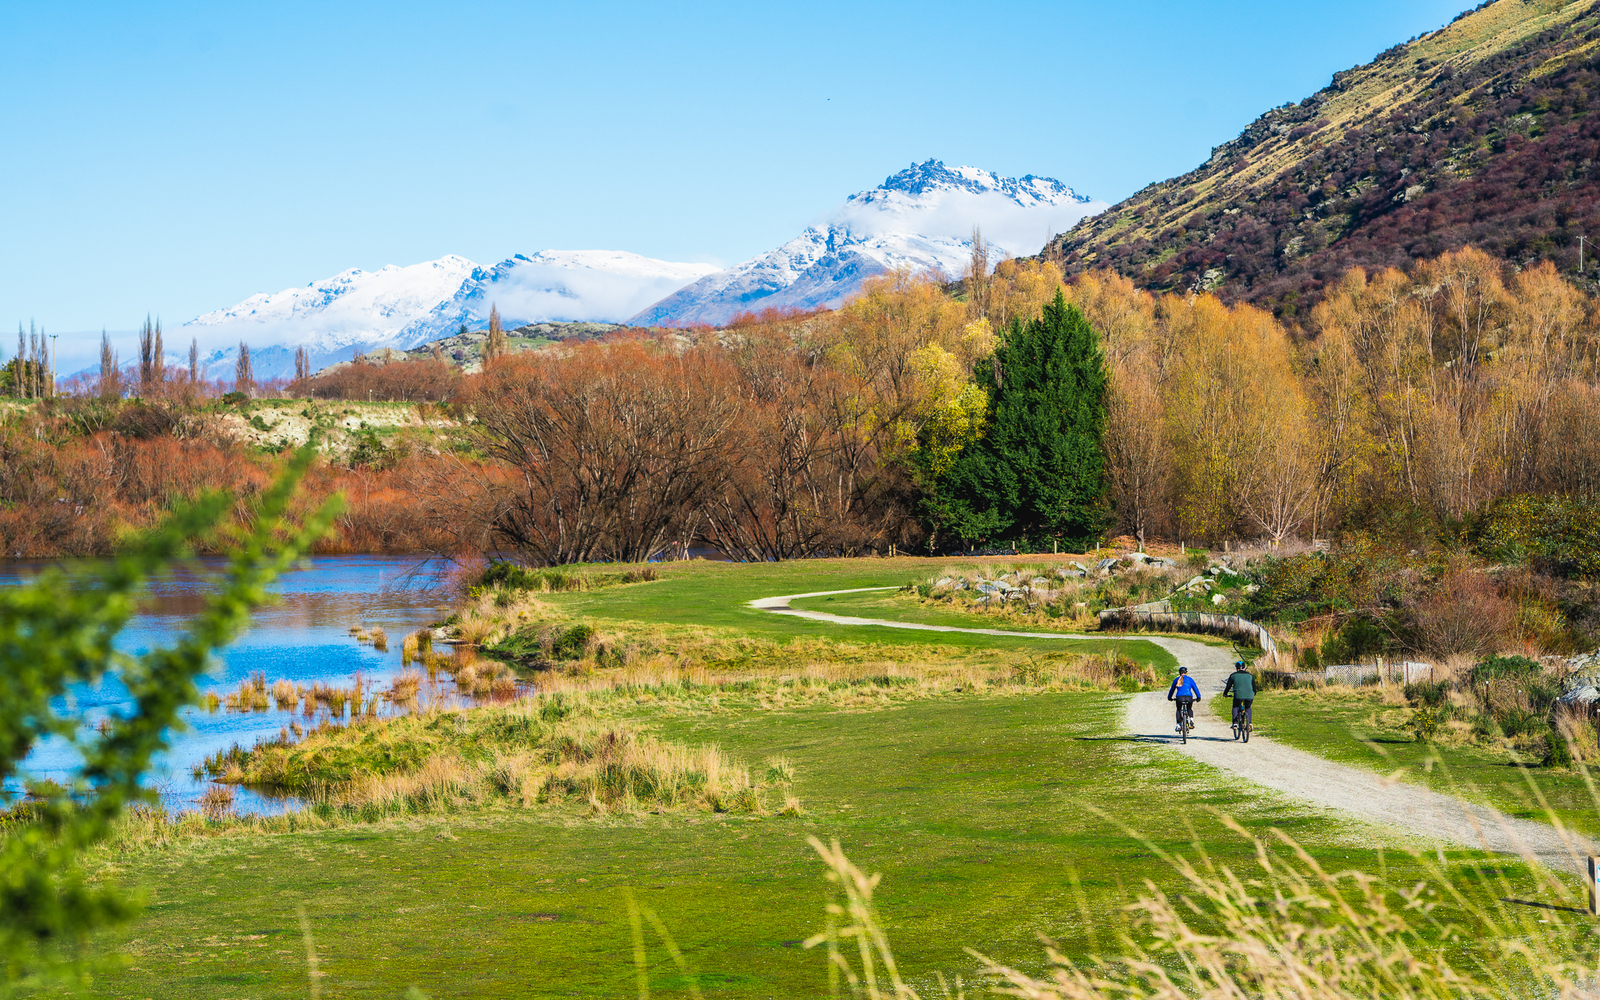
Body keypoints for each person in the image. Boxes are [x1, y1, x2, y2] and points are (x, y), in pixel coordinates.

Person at [1166, 665, 1201, 733]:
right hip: (1189, 697)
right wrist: (1198, 697)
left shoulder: (1176, 679)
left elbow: (1172, 689)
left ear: (1179, 673)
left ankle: (1178, 724)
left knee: (1179, 710)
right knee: (1189, 709)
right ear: (1186, 672)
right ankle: (1191, 719)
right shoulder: (1190, 679)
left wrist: (1169, 697)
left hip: (1179, 697)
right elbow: (1195, 688)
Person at [1223, 660, 1255, 730]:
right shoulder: (1250, 675)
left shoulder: (1233, 675)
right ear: (1244, 668)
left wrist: (1225, 694)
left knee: (1235, 706)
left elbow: (1228, 686)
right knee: (1248, 707)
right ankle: (1249, 723)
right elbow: (1254, 687)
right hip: (1250, 695)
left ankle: (1235, 723)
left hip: (1238, 695)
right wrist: (1254, 693)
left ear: (1236, 668)